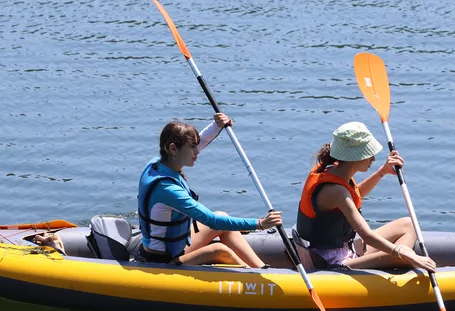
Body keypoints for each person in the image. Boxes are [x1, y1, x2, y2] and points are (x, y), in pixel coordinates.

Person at [138, 113, 282, 267]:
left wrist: (216, 126)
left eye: (195, 146)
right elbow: (212, 221)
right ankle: (256, 279)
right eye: (192, 148)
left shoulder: (158, 163)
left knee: (223, 216)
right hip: (162, 260)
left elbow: (200, 143)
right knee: (219, 249)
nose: (197, 152)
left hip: (176, 246)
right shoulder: (167, 190)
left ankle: (262, 268)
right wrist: (259, 223)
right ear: (173, 149)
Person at [296, 121, 437, 272]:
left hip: (345, 249)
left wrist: (382, 171)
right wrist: (404, 253)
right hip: (332, 262)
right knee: (402, 258)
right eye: (369, 154)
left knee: (408, 223)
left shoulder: (335, 171)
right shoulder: (335, 191)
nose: (373, 160)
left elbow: (354, 196)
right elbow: (367, 235)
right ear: (355, 158)